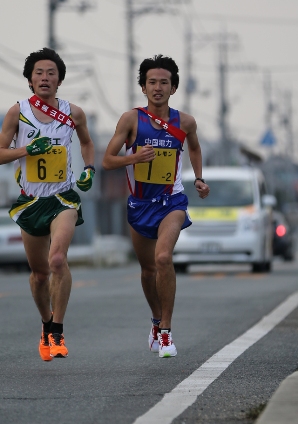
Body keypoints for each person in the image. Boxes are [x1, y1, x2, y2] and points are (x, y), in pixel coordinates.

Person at [102, 54, 210, 357]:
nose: (158, 87)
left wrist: (199, 178)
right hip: (140, 204)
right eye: (152, 82)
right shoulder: (130, 119)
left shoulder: (184, 122)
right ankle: (155, 319)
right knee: (148, 270)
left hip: (171, 201)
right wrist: (134, 158)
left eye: (164, 82)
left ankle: (166, 332)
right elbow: (108, 161)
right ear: (143, 87)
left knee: (163, 258)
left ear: (173, 87)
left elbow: (195, 147)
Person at [0, 47, 95, 361]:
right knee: (40, 274)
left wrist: (89, 170)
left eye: (51, 73)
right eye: (39, 73)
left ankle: (58, 330)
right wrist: (27, 150)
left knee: (57, 260)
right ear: (29, 79)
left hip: (63, 198)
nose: (45, 78)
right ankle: (45, 323)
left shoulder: (74, 112)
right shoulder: (18, 112)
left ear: (59, 80)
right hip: (30, 202)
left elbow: (86, 141)